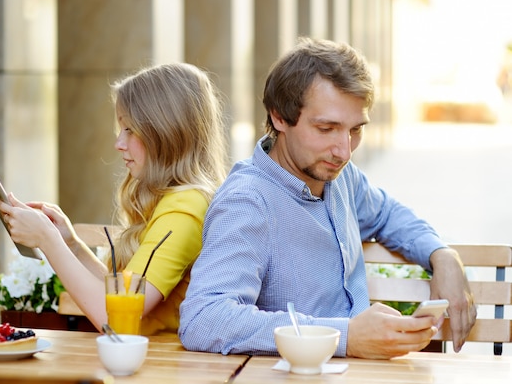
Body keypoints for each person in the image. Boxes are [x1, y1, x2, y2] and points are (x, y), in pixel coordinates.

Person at [178, 37, 476, 359]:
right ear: (279, 117)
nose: (344, 151)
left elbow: (387, 214)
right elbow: (203, 318)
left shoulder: (339, 176)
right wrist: (345, 337)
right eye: (326, 128)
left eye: (355, 130)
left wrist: (443, 256)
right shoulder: (247, 202)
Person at [0, 63, 228, 336]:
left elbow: (117, 319)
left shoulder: (185, 209)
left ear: (166, 133)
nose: (119, 143)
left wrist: (47, 240)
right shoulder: (178, 200)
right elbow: (122, 296)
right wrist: (72, 245)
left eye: (130, 129)